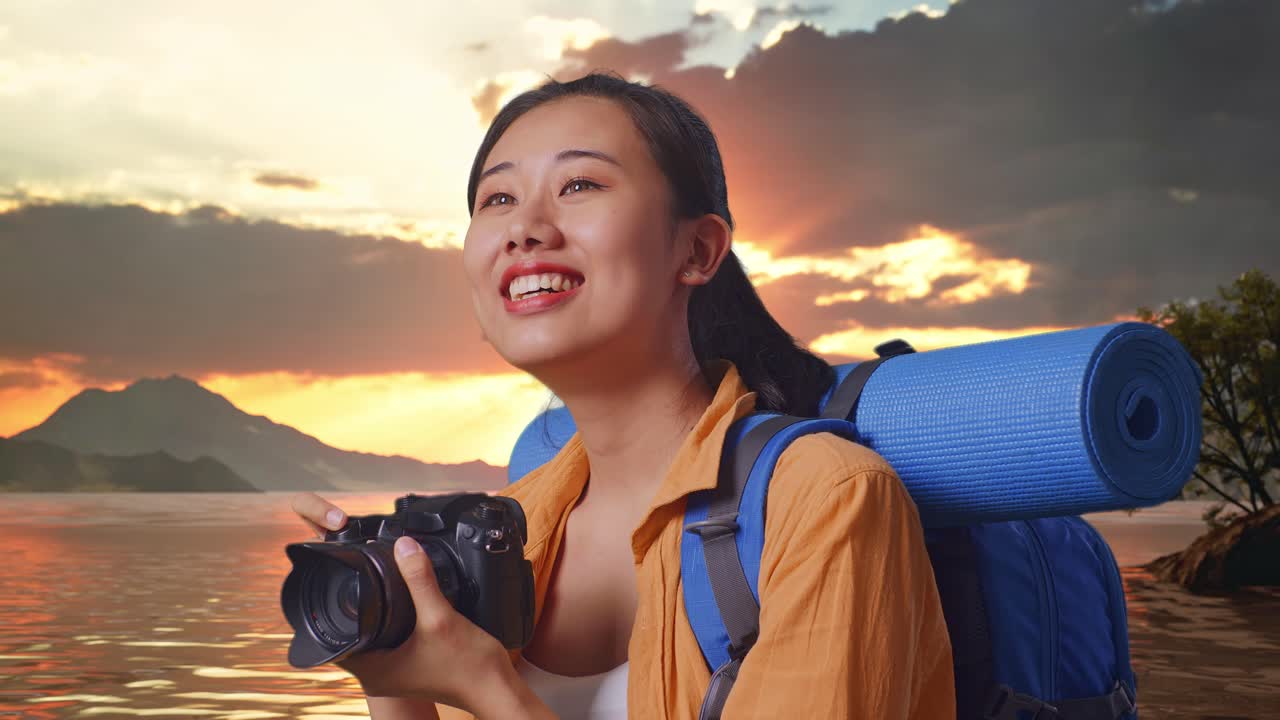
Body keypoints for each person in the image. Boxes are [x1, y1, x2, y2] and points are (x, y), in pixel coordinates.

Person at [292, 71, 956, 719]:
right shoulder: (507, 528)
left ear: (697, 249)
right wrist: (387, 664)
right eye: (498, 200)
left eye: (578, 184)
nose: (525, 228)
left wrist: (489, 688)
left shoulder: (824, 498)